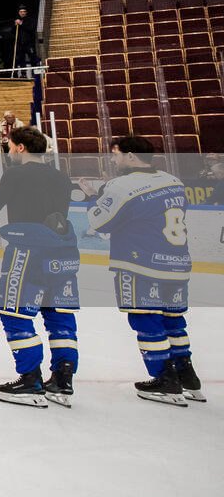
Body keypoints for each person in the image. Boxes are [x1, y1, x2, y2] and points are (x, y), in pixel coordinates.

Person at [86, 135, 201, 405]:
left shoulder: (121, 185)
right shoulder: (173, 181)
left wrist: (94, 197)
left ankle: (164, 378)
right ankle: (186, 375)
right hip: (177, 263)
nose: (114, 160)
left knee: (145, 320)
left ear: (130, 156)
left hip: (140, 264)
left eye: (116, 154)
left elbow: (99, 222)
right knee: (173, 320)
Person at [0, 126, 81, 406]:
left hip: (28, 250)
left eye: (10, 146)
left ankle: (29, 378)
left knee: (14, 312)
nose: (9, 151)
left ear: (21, 148)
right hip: (62, 251)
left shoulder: (15, 174)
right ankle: (63, 379)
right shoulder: (61, 176)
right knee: (58, 314)